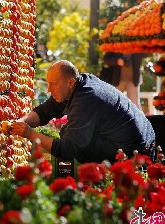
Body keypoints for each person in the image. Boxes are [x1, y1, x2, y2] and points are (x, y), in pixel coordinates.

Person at [11, 60, 155, 164]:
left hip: (135, 151)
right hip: (142, 139)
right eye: (48, 84)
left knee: (72, 138)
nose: (49, 89)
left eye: (53, 84)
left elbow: (67, 150)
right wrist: (21, 123)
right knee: (72, 133)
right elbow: (46, 110)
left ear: (70, 82)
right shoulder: (80, 84)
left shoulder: (86, 99)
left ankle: (91, 179)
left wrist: (30, 134)